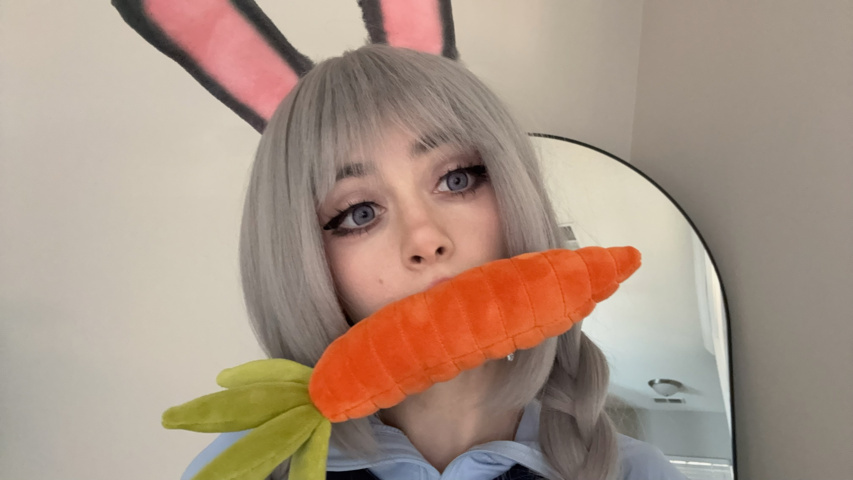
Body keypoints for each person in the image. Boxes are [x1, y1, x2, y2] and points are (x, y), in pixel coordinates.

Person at [182, 44, 687, 480]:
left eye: (456, 179)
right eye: (359, 213)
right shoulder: (248, 468)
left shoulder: (635, 471)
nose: (425, 239)